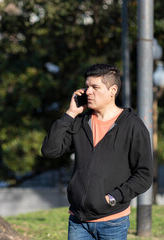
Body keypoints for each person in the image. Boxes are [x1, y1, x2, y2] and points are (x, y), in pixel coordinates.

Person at [41, 64, 153, 240]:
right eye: (87, 86)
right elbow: (50, 150)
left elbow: (144, 175)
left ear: (112, 90)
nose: (88, 92)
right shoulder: (80, 122)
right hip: (78, 221)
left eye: (95, 87)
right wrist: (70, 113)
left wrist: (113, 198)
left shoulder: (132, 126)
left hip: (113, 222)